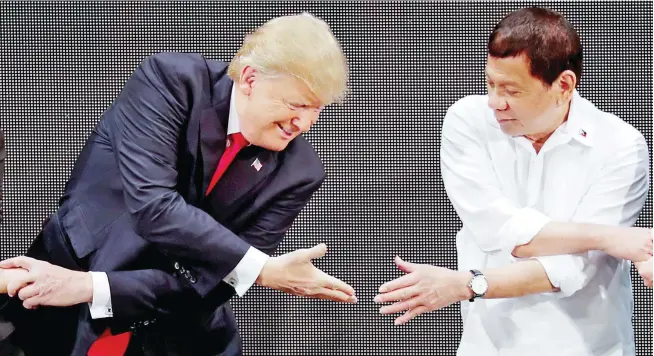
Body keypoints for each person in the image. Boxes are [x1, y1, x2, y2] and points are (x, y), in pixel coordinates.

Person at [0, 13, 357, 356]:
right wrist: (261, 268)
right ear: (249, 78)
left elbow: (217, 284)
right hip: (58, 288)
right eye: (298, 104)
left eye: (317, 110)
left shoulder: (301, 170)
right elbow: (154, 207)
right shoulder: (172, 81)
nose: (305, 124)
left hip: (175, 332)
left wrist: (91, 290)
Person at [375, 7, 651, 356]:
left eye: (511, 90)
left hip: (590, 346)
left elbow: (573, 267)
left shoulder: (620, 145)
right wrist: (609, 237)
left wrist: (468, 284)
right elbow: (499, 230)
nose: (495, 102)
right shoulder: (469, 122)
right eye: (490, 83)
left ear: (563, 85)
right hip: (487, 346)